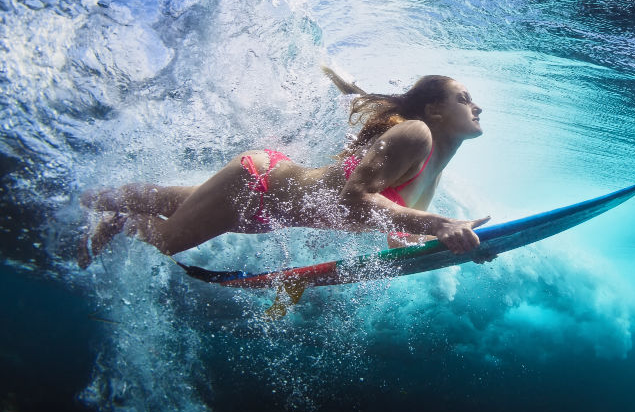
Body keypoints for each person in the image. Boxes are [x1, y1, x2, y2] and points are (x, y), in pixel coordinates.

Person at [78, 75, 490, 269]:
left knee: (168, 201)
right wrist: (440, 224)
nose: (477, 107)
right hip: (255, 187)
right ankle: (121, 221)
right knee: (167, 240)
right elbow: (355, 198)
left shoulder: (434, 169)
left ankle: (87, 197)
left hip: (265, 214)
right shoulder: (416, 134)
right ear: (434, 110)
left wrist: (457, 247)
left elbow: (399, 231)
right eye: (465, 99)